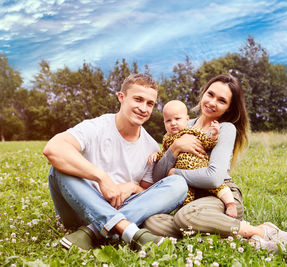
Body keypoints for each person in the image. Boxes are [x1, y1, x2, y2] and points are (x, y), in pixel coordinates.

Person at [143, 73, 287, 253]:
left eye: (221, 100)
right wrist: (175, 148)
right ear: (203, 93)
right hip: (192, 201)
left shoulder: (225, 129)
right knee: (152, 222)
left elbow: (213, 178)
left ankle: (261, 231)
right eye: (210, 94)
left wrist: (176, 173)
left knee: (185, 218)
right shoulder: (182, 125)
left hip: (221, 195)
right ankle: (241, 241)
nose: (212, 102)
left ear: (228, 108)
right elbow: (157, 177)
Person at [43, 73, 188, 251]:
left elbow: (146, 194)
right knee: (58, 169)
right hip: (80, 207)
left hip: (124, 209)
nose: (143, 108)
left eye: (149, 103)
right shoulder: (96, 126)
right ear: (121, 97)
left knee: (178, 183)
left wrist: (133, 188)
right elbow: (53, 148)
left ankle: (94, 231)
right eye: (138, 99)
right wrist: (101, 178)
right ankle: (128, 231)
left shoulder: (151, 146)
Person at [148, 99, 237, 218]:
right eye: (168, 120)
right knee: (183, 202)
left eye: (177, 119)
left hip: (200, 170)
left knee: (220, 189)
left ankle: (230, 204)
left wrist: (214, 135)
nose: (173, 123)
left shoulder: (193, 131)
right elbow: (164, 155)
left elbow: (207, 144)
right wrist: (157, 155)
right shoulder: (167, 139)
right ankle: (183, 216)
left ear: (186, 119)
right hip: (185, 183)